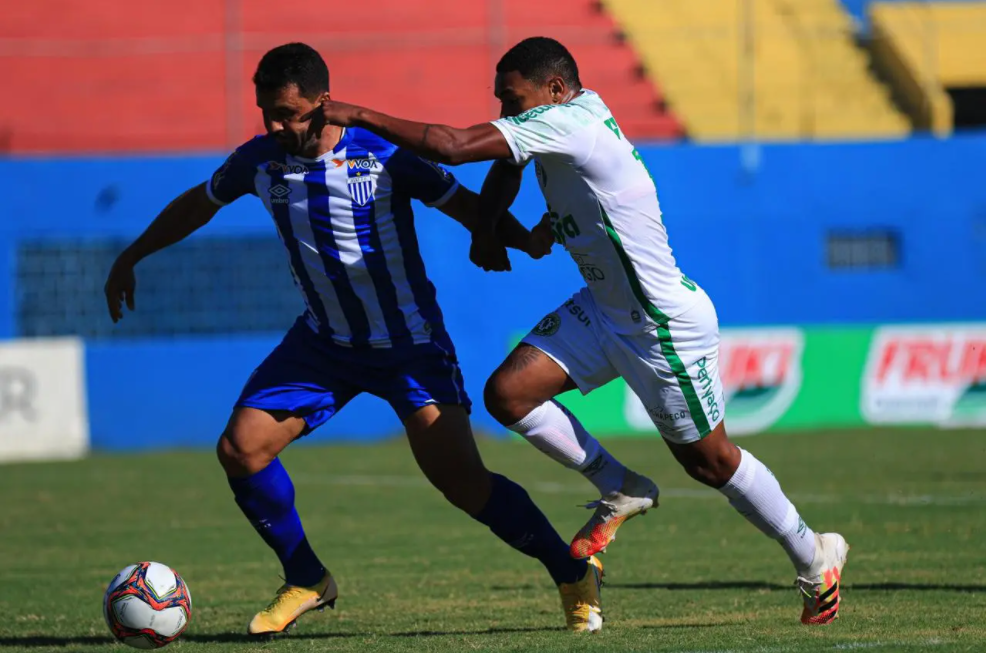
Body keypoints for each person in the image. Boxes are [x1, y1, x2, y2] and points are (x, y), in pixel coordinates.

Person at [317, 36, 850, 625]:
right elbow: (504, 167)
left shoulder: (571, 122)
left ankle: (813, 553)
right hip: (602, 309)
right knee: (508, 394)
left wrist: (359, 114)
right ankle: (621, 485)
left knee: (710, 463)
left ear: (552, 90)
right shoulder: (552, 123)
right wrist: (487, 229)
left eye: (511, 99)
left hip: (659, 325)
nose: (504, 112)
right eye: (499, 100)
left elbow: (453, 146)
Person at [103, 42, 604, 636]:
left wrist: (519, 240)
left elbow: (463, 203)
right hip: (324, 344)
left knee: (465, 485)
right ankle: (306, 577)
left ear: (323, 102)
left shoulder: (384, 154)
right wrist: (132, 255)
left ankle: (572, 572)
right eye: (267, 112)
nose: (275, 124)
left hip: (410, 346)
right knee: (241, 448)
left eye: (288, 113)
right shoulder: (259, 161)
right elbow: (199, 204)